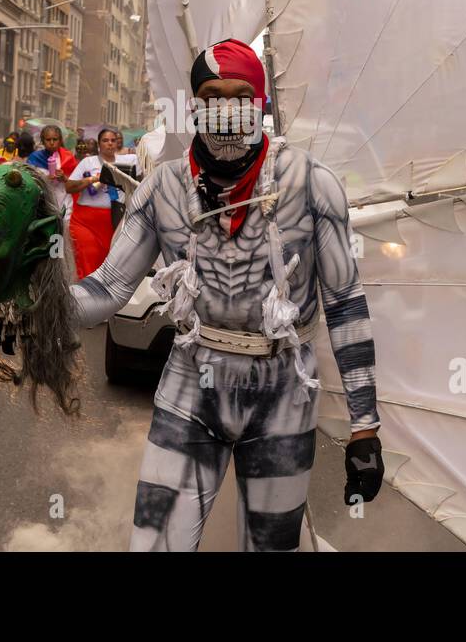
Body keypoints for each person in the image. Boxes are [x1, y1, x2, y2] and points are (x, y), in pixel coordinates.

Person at [69, 39, 383, 552]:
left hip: (285, 391)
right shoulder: (163, 188)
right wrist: (31, 308)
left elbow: (345, 302)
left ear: (260, 102)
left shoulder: (310, 183)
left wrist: (364, 426)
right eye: (211, 96)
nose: (226, 109)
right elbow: (108, 286)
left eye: (239, 95)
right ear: (194, 105)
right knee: (152, 546)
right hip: (193, 380)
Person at [66, 127, 137, 278]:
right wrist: (92, 179)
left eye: (113, 140)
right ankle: (85, 292)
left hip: (113, 220)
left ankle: (101, 294)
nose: (109, 144)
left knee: (108, 260)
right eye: (105, 141)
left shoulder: (128, 161)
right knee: (89, 254)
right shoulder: (88, 162)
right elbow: (69, 187)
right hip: (85, 221)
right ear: (99, 144)